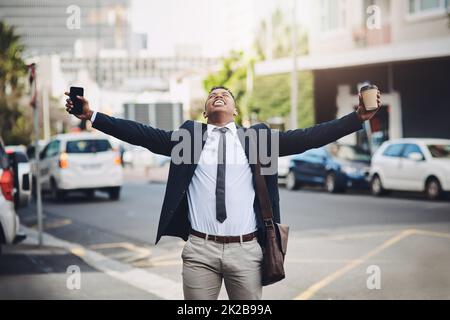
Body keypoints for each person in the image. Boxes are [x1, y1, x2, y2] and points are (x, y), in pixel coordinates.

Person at [64, 87, 380, 300]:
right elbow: (140, 134)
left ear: (235, 110)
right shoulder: (188, 138)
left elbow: (309, 137)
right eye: (213, 95)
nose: (218, 96)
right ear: (205, 111)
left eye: (225, 95)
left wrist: (356, 119)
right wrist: (93, 116)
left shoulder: (257, 139)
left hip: (246, 253)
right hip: (200, 252)